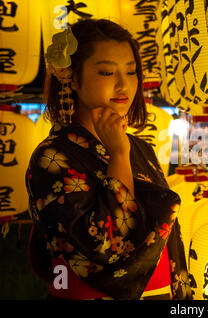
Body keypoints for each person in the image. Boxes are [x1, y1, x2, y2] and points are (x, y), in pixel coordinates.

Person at [26, 19, 192, 300]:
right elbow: (109, 244)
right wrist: (118, 155)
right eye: (106, 72)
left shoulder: (138, 147)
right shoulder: (52, 156)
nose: (123, 84)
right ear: (72, 78)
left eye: (131, 71)